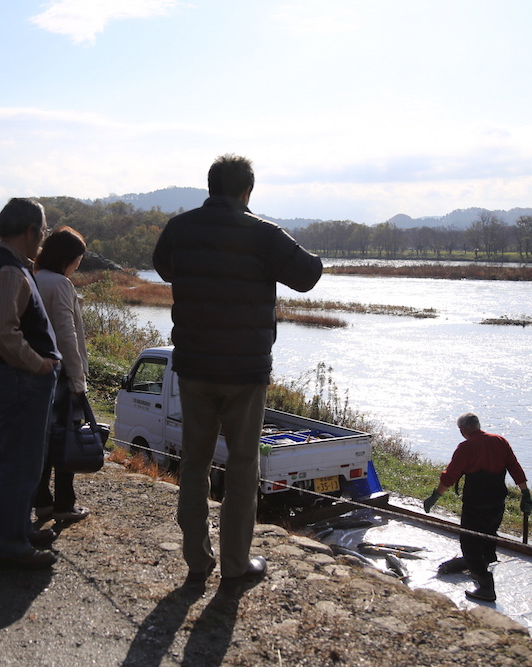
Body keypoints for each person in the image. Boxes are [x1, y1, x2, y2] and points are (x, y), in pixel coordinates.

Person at [152, 154, 323, 590]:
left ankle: (196, 559)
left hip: (193, 365)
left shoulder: (180, 228)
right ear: (247, 191)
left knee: (194, 462)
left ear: (211, 188)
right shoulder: (264, 233)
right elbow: (308, 274)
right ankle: (235, 563)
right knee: (243, 465)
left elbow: (164, 267)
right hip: (245, 372)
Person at [0, 198, 60, 568]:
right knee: (19, 462)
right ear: (30, 231)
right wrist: (39, 364)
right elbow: (1, 332)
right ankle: (12, 544)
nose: (42, 238)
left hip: (19, 379)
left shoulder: (10, 264)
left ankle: (19, 529)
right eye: (42, 230)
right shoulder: (10, 269)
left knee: (26, 461)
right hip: (20, 379)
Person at [423, 412, 532, 602]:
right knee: (490, 533)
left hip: (476, 502)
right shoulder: (500, 441)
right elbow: (515, 467)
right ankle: (487, 559)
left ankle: (485, 587)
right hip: (498, 500)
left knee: (470, 541)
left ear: (463, 430)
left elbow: (450, 476)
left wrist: (435, 497)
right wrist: (525, 493)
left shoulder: (466, 447)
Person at [33, 226, 91, 523]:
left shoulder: (33, 277)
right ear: (69, 257)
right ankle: (64, 504)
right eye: (78, 257)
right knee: (66, 437)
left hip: (36, 370)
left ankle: (41, 499)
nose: (79, 263)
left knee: (42, 439)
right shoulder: (61, 285)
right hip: (62, 375)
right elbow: (67, 335)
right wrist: (78, 379)